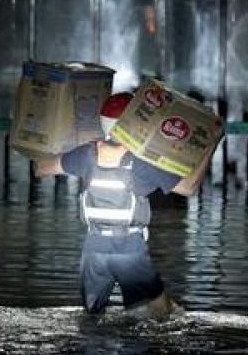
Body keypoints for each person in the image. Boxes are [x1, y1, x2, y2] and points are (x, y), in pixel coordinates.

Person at [34, 92, 194, 319]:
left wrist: (55, 141)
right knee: (162, 315)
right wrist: (210, 144)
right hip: (128, 248)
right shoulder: (141, 163)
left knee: (92, 318)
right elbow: (189, 188)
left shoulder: (86, 155)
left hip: (92, 248)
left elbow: (40, 168)